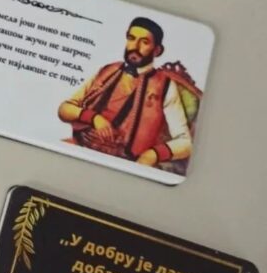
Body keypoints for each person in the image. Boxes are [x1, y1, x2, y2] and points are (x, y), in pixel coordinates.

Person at [58, 17, 201, 168]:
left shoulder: (165, 85)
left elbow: (186, 143)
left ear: (157, 50)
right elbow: (64, 109)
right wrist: (95, 118)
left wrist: (151, 155)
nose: (135, 46)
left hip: (125, 163)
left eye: (144, 42)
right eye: (131, 38)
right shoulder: (108, 70)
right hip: (81, 147)